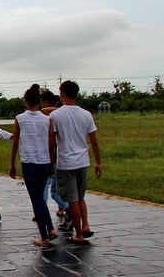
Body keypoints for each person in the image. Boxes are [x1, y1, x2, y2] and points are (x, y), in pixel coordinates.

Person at [49, 80, 102, 245]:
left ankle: (78, 233)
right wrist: (98, 162)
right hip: (83, 161)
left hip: (66, 162)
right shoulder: (86, 114)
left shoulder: (55, 115)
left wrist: (51, 163)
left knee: (71, 199)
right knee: (80, 197)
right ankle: (86, 225)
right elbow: (94, 141)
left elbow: (52, 143)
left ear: (61, 93)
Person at [10, 85, 57, 246]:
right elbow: (51, 143)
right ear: (39, 102)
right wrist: (52, 162)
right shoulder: (47, 119)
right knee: (39, 197)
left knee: (35, 199)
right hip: (44, 161)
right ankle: (50, 228)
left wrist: (12, 163)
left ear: (26, 101)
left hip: (29, 161)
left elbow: (16, 143)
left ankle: (44, 235)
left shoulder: (20, 119)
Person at [41, 92, 69, 221]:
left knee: (53, 190)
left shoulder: (53, 116)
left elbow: (44, 110)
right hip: (70, 159)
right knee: (60, 189)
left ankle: (69, 210)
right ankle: (65, 209)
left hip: (56, 157)